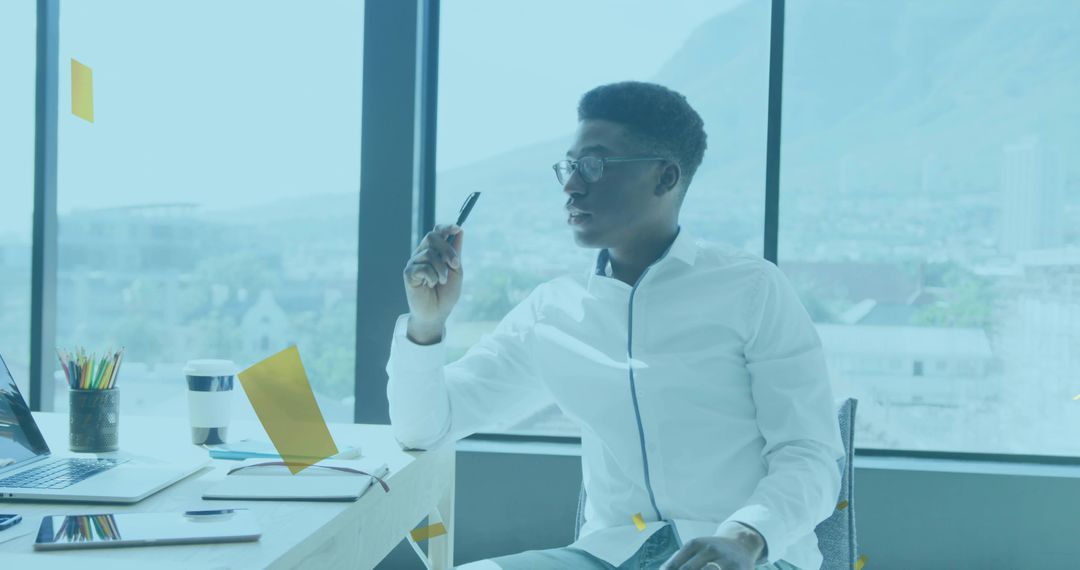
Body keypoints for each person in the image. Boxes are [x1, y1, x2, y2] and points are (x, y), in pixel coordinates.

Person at [387, 81, 844, 570]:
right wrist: (427, 322)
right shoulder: (552, 311)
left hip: (745, 556)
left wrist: (745, 536)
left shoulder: (751, 289)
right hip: (608, 555)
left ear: (665, 178)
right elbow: (423, 428)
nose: (571, 185)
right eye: (569, 165)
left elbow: (809, 454)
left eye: (594, 165)